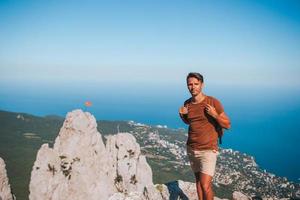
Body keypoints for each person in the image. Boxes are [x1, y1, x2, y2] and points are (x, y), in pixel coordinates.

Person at [179, 72, 231, 200]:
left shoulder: (212, 102)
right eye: (190, 84)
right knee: (198, 183)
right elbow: (189, 122)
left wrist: (215, 115)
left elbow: (227, 124)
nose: (193, 87)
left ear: (202, 84)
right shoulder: (187, 103)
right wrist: (182, 115)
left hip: (208, 149)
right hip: (191, 148)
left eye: (196, 84)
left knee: (205, 185)